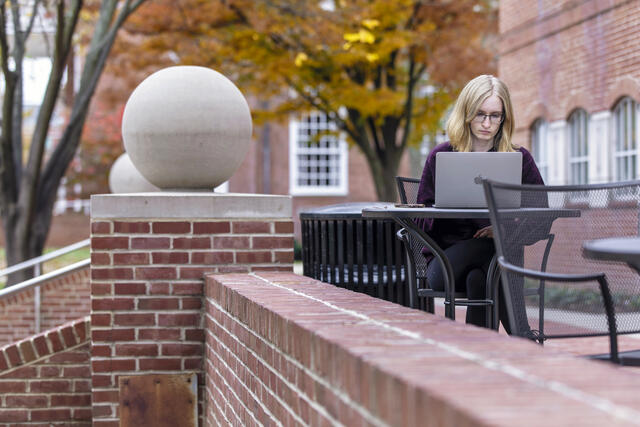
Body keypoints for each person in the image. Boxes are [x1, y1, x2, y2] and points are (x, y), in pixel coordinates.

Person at [416, 74, 544, 330]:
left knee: (481, 279)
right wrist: (443, 208)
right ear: (466, 113)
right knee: (492, 253)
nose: (487, 123)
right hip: (446, 265)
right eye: (480, 114)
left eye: (495, 115)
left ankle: (481, 352)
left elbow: (541, 217)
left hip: (499, 266)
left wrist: (503, 230)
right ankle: (523, 336)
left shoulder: (518, 158)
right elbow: (419, 222)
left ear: (504, 118)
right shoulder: (442, 156)